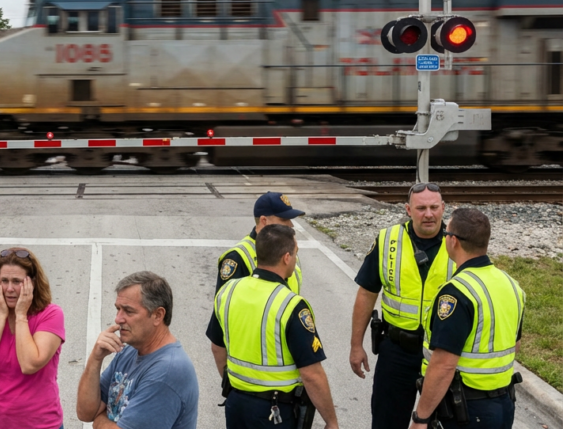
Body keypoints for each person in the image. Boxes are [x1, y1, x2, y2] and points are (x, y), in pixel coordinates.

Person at [349, 182, 456, 429]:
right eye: (421, 208)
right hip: (397, 352)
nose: (428, 214)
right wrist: (356, 345)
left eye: (433, 207)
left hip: (441, 354)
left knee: (441, 422)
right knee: (387, 421)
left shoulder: (459, 243)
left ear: (443, 208)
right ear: (408, 210)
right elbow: (366, 293)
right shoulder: (388, 240)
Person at [211, 224, 338, 429]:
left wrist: (238, 385)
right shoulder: (291, 305)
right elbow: (311, 374)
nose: (296, 260)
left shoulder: (228, 292)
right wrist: (331, 422)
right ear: (286, 258)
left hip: (236, 404)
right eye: (295, 254)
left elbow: (217, 347)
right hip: (274, 412)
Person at [412, 208, 525, 429]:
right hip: (503, 405)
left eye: (446, 233)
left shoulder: (456, 293)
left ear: (453, 241)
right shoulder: (511, 285)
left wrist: (421, 418)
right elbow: (515, 344)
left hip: (466, 410)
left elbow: (444, 365)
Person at [77, 271, 199, 429]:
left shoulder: (167, 371)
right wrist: (95, 359)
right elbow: (85, 412)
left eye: (128, 311)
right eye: (118, 309)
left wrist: (100, 420)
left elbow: (95, 416)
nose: (118, 319)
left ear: (157, 315)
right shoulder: (130, 350)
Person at [0, 248, 65, 429]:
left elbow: (29, 364)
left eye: (17, 282)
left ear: (32, 283)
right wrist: (2, 315)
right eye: (4, 281)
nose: (9, 289)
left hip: (40, 424)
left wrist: (20, 315)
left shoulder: (51, 314)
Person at [205, 192, 305, 364]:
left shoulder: (288, 250)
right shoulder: (238, 258)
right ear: (264, 221)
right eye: (284, 220)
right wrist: (229, 385)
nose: (290, 225)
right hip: (255, 365)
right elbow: (221, 329)